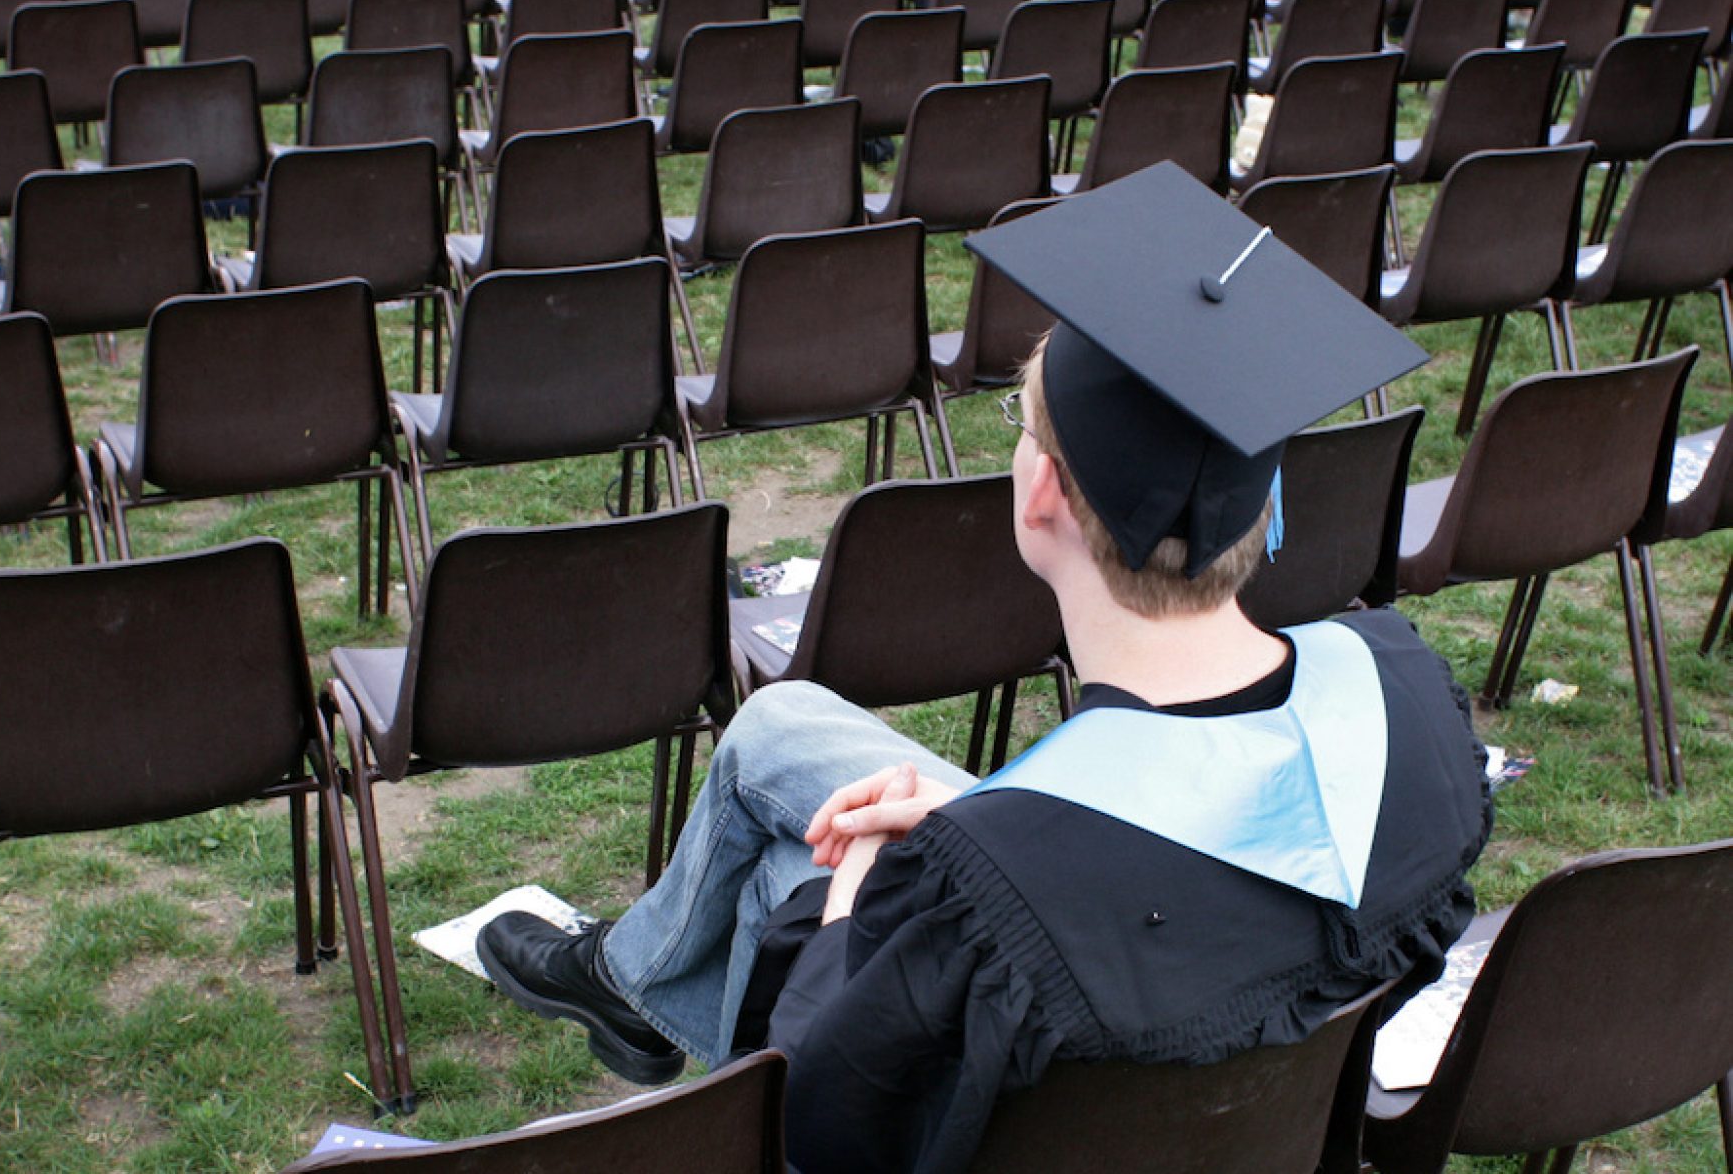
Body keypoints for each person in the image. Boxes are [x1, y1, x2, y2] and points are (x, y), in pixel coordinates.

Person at [473, 163, 1494, 1172]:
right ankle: (630, 979)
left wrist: (863, 902)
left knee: (791, 878)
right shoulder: (1403, 700)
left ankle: (633, 984)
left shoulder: (984, 904)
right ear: (1258, 504)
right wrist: (977, 826)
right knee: (781, 740)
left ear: (1042, 494)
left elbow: (827, 1125)